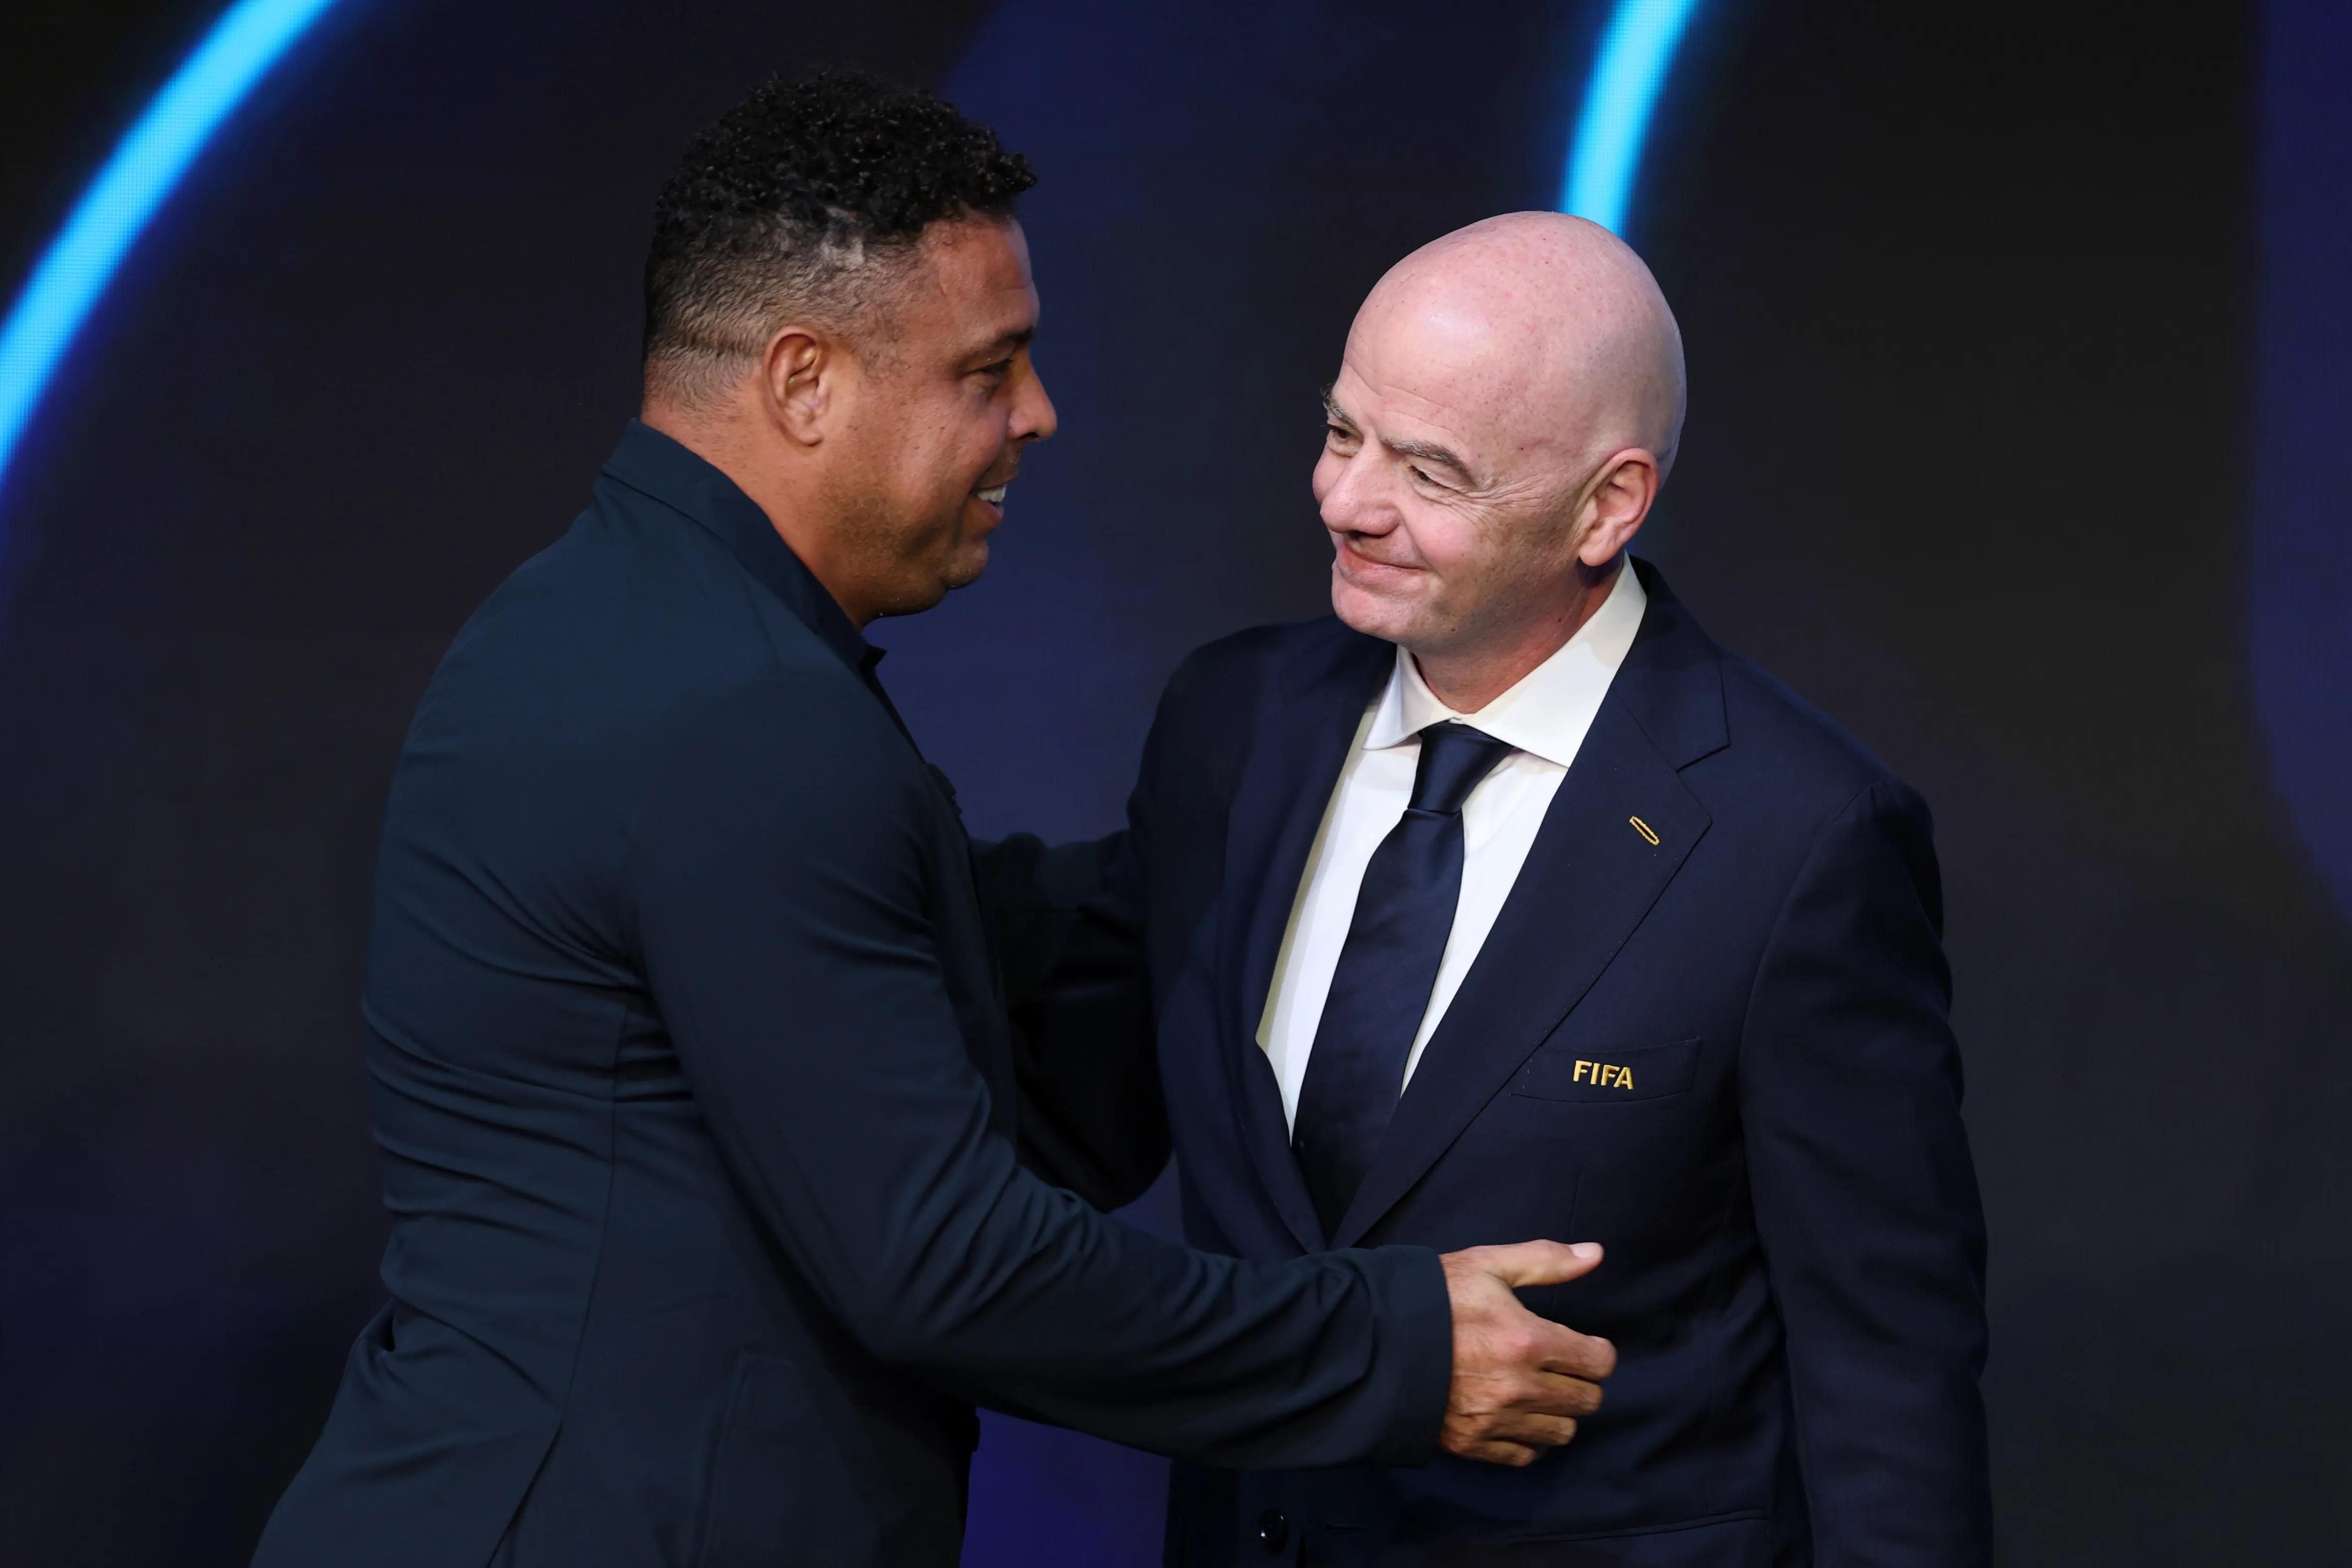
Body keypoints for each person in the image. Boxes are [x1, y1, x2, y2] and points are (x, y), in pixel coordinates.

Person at [251, 76, 1616, 1568]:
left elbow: (954, 986)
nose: (1037, 414)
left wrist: (1300, 814)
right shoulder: (738, 720)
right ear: (803, 382)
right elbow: (948, 1264)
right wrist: (1398, 1348)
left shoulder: (610, 625)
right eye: (988, 367)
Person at [1100, 214, 1993, 1563]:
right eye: (1343, 435)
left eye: (1428, 469)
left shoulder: (1797, 833)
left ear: (1606, 506)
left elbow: (1885, 1369)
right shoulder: (1231, 719)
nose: (1348, 501)